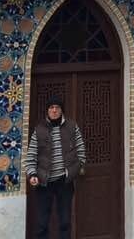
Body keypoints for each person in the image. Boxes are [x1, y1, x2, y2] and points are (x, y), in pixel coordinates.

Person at [24, 96, 88, 239]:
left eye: (57, 108)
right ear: (47, 111)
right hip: (44, 182)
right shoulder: (39, 130)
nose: (54, 110)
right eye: (51, 108)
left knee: (65, 222)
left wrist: (74, 170)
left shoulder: (71, 126)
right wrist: (32, 174)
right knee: (41, 224)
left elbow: (81, 150)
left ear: (61, 110)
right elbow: (31, 156)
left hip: (64, 182)